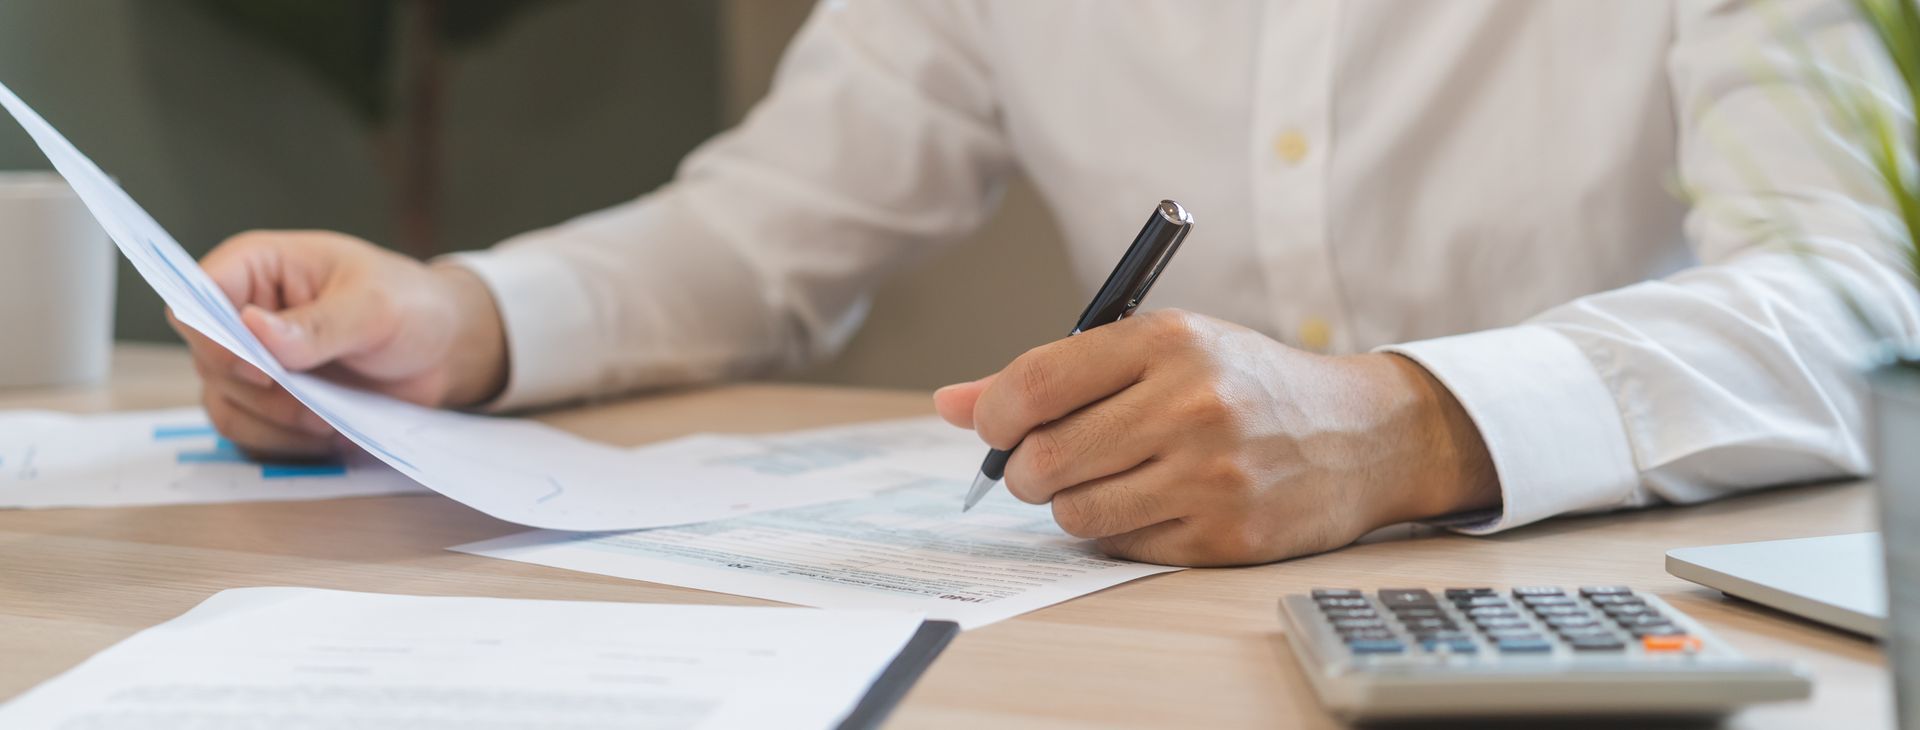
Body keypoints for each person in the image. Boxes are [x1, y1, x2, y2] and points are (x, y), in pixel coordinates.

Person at [173, 1, 1918, 567]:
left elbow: (1857, 293)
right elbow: (769, 221)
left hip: (1609, 624)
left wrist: (1402, 423)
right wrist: (454, 320)